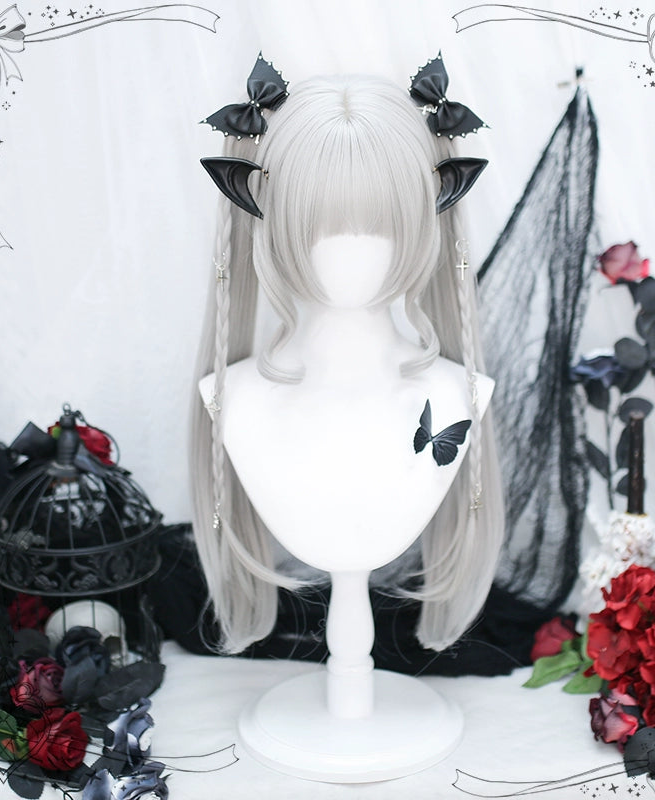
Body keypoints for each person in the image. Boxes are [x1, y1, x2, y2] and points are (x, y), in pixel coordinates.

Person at [191, 59, 505, 656]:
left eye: (381, 223)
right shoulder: (234, 398)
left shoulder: (458, 394)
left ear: (425, 217)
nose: (351, 248)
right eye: (318, 224)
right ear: (269, 217)